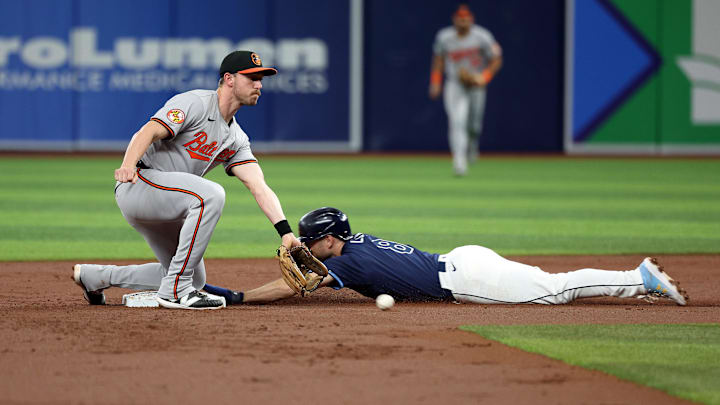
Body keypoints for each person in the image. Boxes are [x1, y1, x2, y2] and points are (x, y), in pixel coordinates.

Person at [71, 50, 302, 310]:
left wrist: (286, 232)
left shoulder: (236, 138)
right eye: (251, 78)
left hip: (169, 202)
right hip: (140, 183)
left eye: (260, 79)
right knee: (211, 195)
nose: (259, 84)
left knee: (195, 277)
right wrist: (127, 166)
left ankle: (96, 277)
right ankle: (174, 292)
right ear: (229, 79)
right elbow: (149, 130)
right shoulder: (195, 103)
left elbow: (258, 186)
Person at [203, 207, 689, 307]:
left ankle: (637, 276)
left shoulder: (346, 264)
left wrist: (240, 296)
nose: (305, 250)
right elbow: (308, 273)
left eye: (310, 243)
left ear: (331, 241)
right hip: (464, 258)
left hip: (465, 279)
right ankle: (635, 277)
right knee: (546, 279)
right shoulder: (357, 244)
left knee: (553, 291)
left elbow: (290, 287)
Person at [429, 4, 502, 176]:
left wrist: (484, 77)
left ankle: (472, 146)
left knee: (474, 125)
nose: (463, 22)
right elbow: (438, 60)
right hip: (455, 83)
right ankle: (459, 161)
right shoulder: (444, 37)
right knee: (456, 121)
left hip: (476, 83)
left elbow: (496, 59)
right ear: (454, 19)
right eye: (460, 18)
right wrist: (436, 82)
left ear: (471, 20)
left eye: (466, 19)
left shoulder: (482, 36)